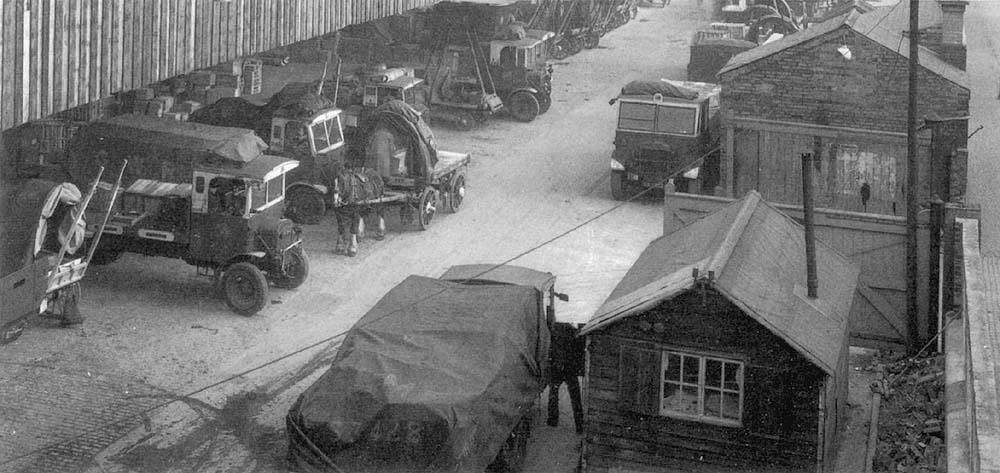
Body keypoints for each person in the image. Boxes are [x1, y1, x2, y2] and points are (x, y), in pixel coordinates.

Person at [548, 322, 586, 434]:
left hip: (560, 369)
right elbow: (580, 353)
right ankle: (579, 425)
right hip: (568, 370)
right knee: (574, 397)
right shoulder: (574, 336)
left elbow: (551, 351)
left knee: (554, 394)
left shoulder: (555, 335)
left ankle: (553, 421)